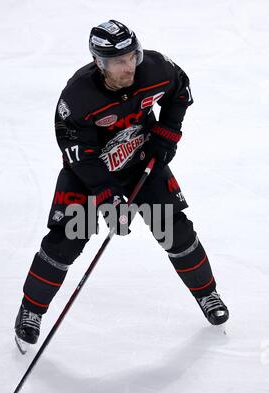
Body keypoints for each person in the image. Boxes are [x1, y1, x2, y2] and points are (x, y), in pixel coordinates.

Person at [14, 19, 229, 353]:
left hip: (142, 161)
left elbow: (179, 90)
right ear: (100, 63)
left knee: (174, 230)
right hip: (88, 176)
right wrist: (106, 194)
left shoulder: (155, 68)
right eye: (118, 61)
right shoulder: (78, 97)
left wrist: (168, 131)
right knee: (66, 241)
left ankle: (207, 294)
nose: (129, 65)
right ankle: (31, 309)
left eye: (132, 55)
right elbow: (77, 153)